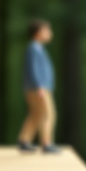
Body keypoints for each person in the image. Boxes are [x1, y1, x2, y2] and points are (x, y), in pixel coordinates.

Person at [17, 19, 60, 154]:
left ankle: (24, 140)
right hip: (38, 87)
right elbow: (34, 68)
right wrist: (40, 86)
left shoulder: (37, 48)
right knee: (48, 114)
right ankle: (46, 143)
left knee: (36, 114)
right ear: (37, 33)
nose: (50, 33)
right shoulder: (34, 48)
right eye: (46, 30)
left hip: (38, 87)